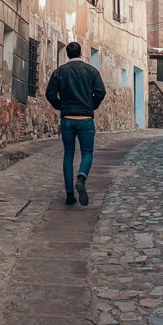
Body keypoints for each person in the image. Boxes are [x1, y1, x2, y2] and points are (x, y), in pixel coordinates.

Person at [45, 41, 106, 206]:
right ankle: (81, 177)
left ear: (67, 54)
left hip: (67, 119)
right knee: (87, 153)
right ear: (81, 54)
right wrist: (91, 105)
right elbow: (101, 92)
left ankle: (69, 194)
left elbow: (50, 94)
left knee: (68, 155)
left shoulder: (59, 72)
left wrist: (60, 106)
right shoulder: (92, 71)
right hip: (86, 119)